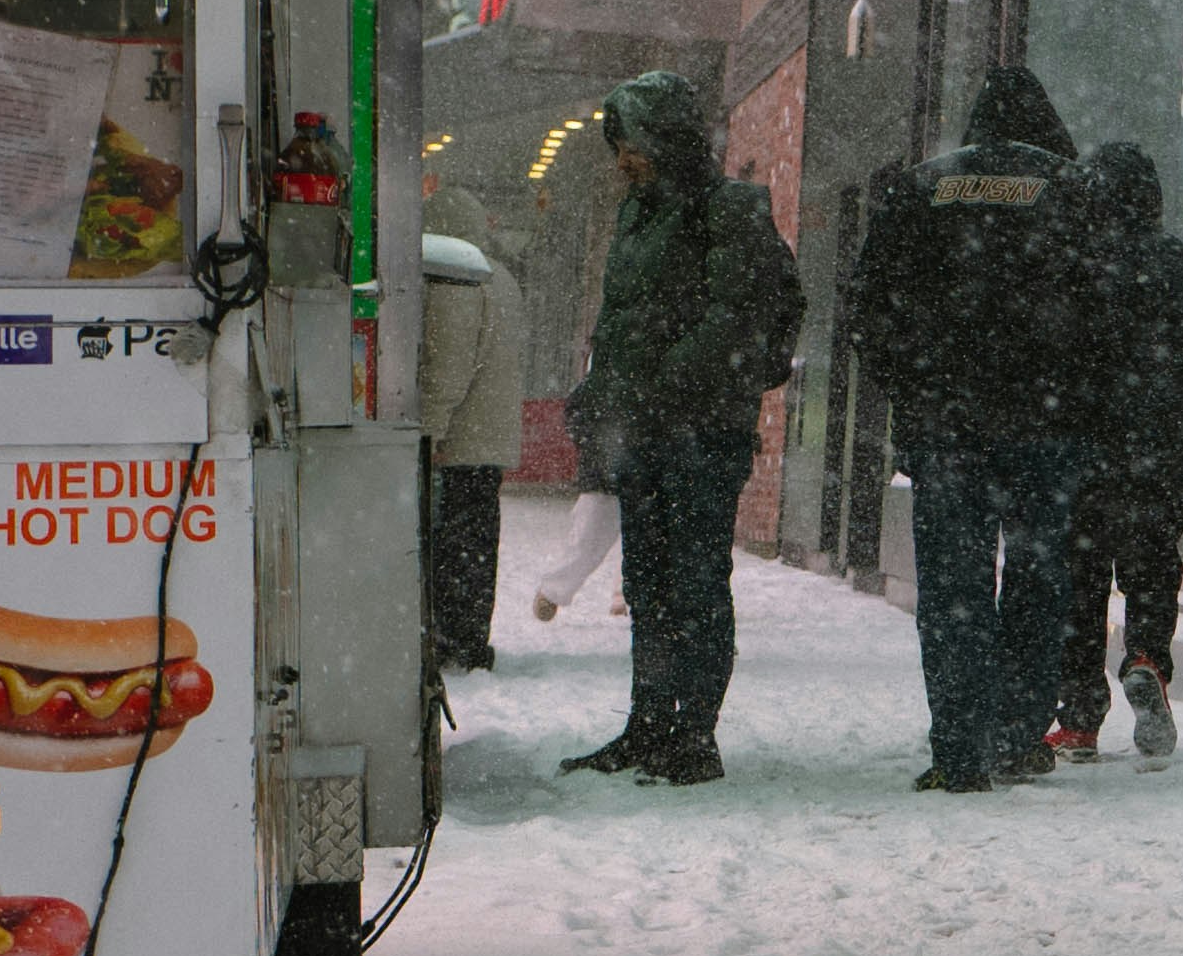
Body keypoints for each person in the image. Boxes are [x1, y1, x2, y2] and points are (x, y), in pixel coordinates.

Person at [845, 64, 1106, 790]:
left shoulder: (922, 188)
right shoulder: (1075, 193)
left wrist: (917, 388)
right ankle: (1018, 734)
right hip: (1045, 430)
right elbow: (1113, 313)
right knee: (1038, 580)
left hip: (948, 430)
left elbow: (869, 306)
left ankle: (958, 746)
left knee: (953, 587)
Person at [558, 68, 803, 784]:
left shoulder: (727, 210)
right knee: (648, 580)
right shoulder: (635, 214)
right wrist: (602, 390)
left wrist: (663, 389)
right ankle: (648, 724)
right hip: (643, 429)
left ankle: (692, 737)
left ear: (667, 140)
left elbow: (734, 317)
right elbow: (623, 319)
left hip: (701, 432)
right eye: (618, 147)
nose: (623, 160)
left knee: (695, 583)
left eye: (632, 144)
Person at [1048, 144, 1183, 766]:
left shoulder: (1074, 264)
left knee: (1080, 587)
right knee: (1152, 569)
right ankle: (1147, 658)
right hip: (1157, 456)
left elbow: (1048, 362)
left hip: (1082, 456)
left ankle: (1077, 719)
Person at [411, 230, 522, 673]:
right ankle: (470, 637)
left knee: (452, 544)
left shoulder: (451, 276)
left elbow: (448, 364)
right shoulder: (503, 276)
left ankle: (453, 641)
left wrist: (431, 430)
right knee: (476, 543)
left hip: (459, 439)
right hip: (487, 437)